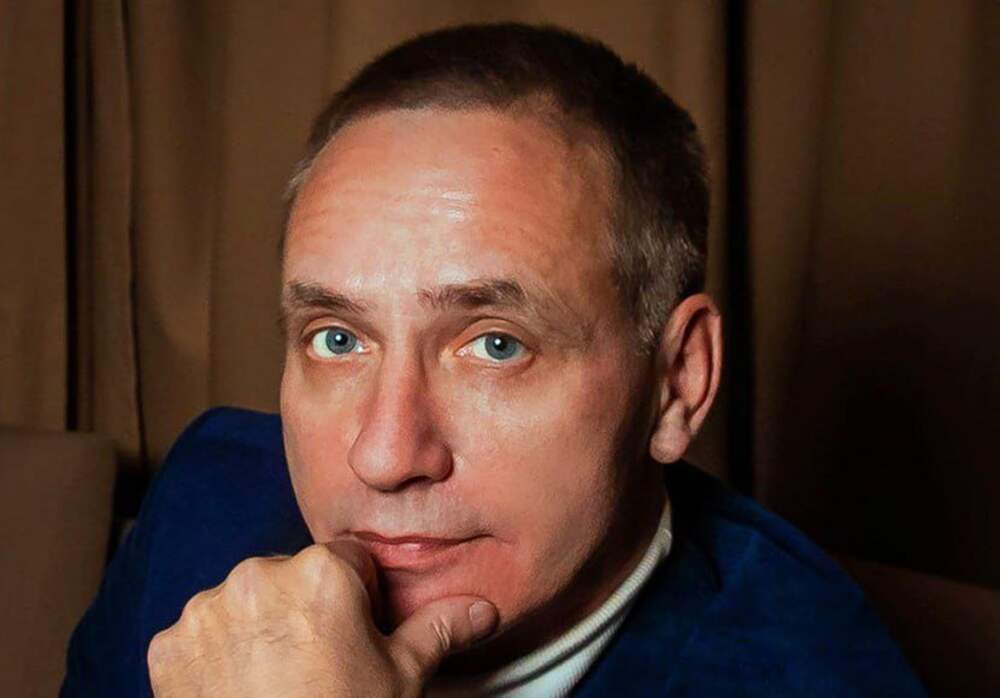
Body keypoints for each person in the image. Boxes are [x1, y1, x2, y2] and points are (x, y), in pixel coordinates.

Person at [61, 23, 926, 697]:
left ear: (677, 384)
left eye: (495, 345)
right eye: (338, 338)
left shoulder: (814, 679)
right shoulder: (208, 501)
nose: (385, 456)